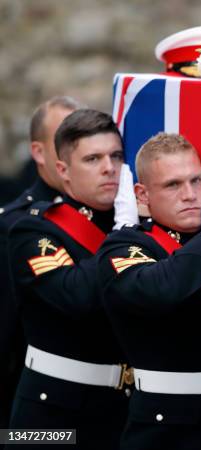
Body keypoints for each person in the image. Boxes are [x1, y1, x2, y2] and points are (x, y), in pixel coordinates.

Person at [96, 132, 201, 450]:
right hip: (166, 423)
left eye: (198, 181)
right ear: (142, 195)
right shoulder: (124, 246)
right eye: (173, 185)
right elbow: (160, 290)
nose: (190, 195)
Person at [7, 109, 130, 449]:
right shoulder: (33, 228)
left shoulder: (134, 224)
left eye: (116, 156)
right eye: (93, 159)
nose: (109, 168)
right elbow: (77, 296)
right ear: (63, 170)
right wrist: (124, 235)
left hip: (120, 409)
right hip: (51, 414)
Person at [0, 96, 81, 434]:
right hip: (35, 402)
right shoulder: (13, 226)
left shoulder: (111, 220)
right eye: (62, 143)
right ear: (38, 152)